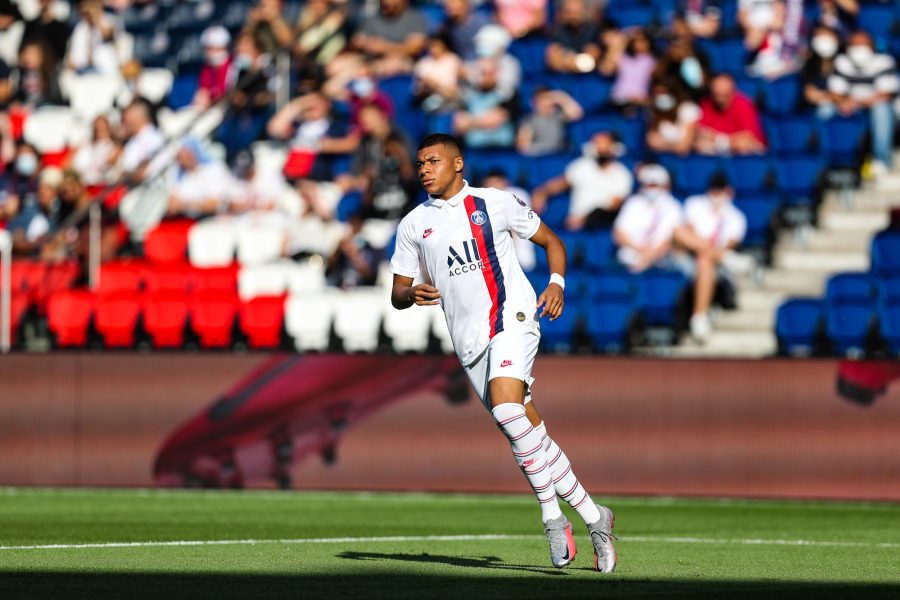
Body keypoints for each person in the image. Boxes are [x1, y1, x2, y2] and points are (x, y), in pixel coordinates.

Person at [390, 132, 616, 572]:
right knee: (527, 432)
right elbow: (397, 291)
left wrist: (557, 283)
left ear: (457, 164)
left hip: (513, 315)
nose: (423, 170)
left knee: (509, 414)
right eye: (420, 164)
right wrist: (411, 292)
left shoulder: (495, 202)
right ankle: (594, 515)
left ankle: (552, 517)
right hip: (469, 341)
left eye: (432, 161)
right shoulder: (414, 224)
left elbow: (554, 242)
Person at [678, 173, 749, 342]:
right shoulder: (694, 204)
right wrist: (711, 250)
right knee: (677, 232)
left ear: (729, 191)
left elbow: (730, 243)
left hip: (712, 262)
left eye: (720, 190)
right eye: (714, 190)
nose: (716, 195)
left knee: (705, 261)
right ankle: (727, 258)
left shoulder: (736, 217)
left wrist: (709, 252)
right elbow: (686, 232)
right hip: (685, 256)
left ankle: (699, 317)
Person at [828, 30, 900, 177]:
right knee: (825, 110)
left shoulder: (884, 61)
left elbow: (885, 94)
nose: (858, 48)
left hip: (879, 107)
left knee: (881, 110)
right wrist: (844, 102)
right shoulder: (842, 62)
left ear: (872, 45)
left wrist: (856, 102)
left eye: (862, 44)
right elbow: (835, 93)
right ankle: (829, 159)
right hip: (851, 105)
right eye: (855, 44)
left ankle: (881, 159)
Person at [531, 131, 633, 230]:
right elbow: (561, 183)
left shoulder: (622, 174)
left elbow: (614, 205)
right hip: (575, 224)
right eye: (597, 143)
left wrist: (585, 219)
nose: (600, 147)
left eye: (604, 143)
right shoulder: (581, 166)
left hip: (601, 226)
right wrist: (542, 192)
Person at [612, 163, 683, 274]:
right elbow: (619, 234)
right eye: (649, 185)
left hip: (660, 261)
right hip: (629, 256)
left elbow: (671, 240)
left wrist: (649, 256)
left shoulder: (673, 206)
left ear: (665, 185)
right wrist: (640, 249)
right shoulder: (633, 203)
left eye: (655, 185)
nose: (651, 189)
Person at [694, 73, 767, 155]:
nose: (720, 100)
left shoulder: (744, 105)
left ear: (733, 92)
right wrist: (731, 141)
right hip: (720, 155)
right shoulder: (706, 104)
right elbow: (700, 139)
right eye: (717, 95)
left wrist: (718, 140)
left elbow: (746, 141)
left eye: (725, 96)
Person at [516, 86, 583, 156]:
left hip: (560, 156)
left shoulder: (557, 115)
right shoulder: (528, 120)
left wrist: (561, 97)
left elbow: (577, 114)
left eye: (547, 99)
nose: (545, 103)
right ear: (534, 102)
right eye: (542, 99)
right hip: (540, 159)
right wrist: (547, 150)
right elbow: (523, 147)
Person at [646, 80, 701, 155]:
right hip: (663, 159)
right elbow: (652, 142)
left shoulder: (687, 108)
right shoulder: (653, 112)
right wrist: (675, 145)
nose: (661, 97)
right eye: (657, 93)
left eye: (663, 92)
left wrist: (664, 144)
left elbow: (684, 147)